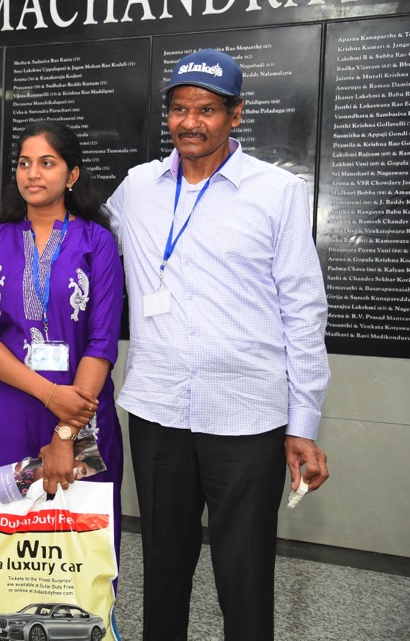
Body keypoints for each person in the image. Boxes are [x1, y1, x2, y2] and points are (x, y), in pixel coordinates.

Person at [104, 48, 330, 641]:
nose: (190, 122)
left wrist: (303, 424)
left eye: (206, 109)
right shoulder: (137, 188)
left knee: (244, 576)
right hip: (158, 412)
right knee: (163, 570)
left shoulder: (278, 193)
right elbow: (86, 249)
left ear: (236, 114)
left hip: (247, 418)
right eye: (179, 109)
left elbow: (304, 311)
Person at [0, 121, 124, 587]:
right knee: (8, 555)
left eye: (47, 163)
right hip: (8, 412)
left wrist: (65, 431)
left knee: (79, 556)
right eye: (24, 163)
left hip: (83, 413)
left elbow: (102, 342)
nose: (32, 173)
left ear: (72, 175)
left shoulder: (97, 242)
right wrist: (49, 395)